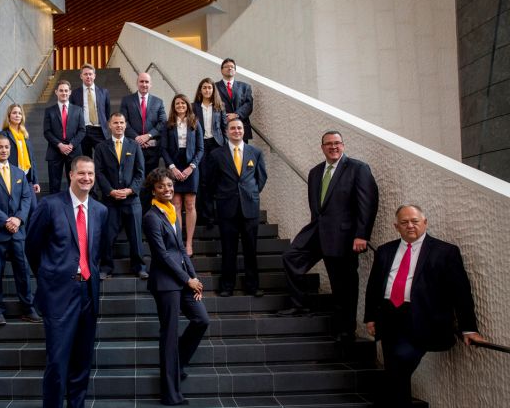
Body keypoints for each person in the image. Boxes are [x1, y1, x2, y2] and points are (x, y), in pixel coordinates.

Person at [364, 205, 485, 408]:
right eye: (404, 222)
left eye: (415, 221)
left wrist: (469, 328)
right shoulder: (385, 251)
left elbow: (461, 293)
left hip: (423, 320)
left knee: (399, 365)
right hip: (389, 317)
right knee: (395, 370)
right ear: (396, 226)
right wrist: (370, 316)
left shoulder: (445, 251)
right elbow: (374, 286)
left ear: (425, 223)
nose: (410, 225)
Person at [279, 131, 379, 343]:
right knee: (291, 256)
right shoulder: (316, 172)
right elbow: (317, 207)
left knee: (344, 285)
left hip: (344, 237)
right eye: (329, 144)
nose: (333, 147)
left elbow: (367, 204)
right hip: (318, 231)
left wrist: (362, 235)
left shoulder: (358, 168)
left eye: (337, 143)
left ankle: (346, 329)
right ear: (322, 147)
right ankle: (299, 305)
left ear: (343, 145)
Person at [26, 156, 107, 408]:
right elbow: (31, 247)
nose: (86, 178)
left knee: (82, 363)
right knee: (57, 362)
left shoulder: (100, 210)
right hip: (59, 295)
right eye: (81, 173)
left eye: (90, 174)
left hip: (87, 294)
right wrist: (50, 276)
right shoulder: (50, 206)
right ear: (70, 175)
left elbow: (97, 252)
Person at [143, 168, 209, 406]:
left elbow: (181, 249)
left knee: (201, 320)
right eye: (162, 187)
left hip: (182, 279)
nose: (168, 190)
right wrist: (186, 280)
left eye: (170, 186)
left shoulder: (172, 212)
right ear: (153, 190)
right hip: (165, 283)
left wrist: (194, 277)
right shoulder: (151, 217)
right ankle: (170, 394)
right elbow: (162, 255)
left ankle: (177, 364)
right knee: (169, 336)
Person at [0, 135, 41, 325]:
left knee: (23, 271)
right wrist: (5, 220)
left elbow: (26, 199)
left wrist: (18, 218)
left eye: (6, 147)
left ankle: (28, 308)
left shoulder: (19, 173)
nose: (4, 150)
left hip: (18, 233)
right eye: (0, 147)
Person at [208, 119, 267, 297]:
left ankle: (253, 286)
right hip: (227, 208)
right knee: (228, 249)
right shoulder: (216, 154)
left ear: (244, 130)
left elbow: (261, 178)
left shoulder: (255, 152)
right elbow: (210, 181)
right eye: (232, 128)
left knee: (250, 249)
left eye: (239, 128)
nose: (236, 131)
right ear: (226, 132)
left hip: (250, 207)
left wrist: (251, 193)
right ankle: (227, 286)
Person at [93, 113, 148, 280]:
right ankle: (106, 267)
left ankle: (139, 267)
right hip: (110, 201)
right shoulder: (101, 147)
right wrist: (110, 191)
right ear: (110, 125)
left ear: (125, 125)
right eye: (115, 123)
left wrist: (130, 190)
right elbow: (99, 173)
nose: (119, 125)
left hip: (132, 200)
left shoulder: (134, 145)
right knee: (107, 236)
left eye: (122, 122)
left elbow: (140, 173)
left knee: (136, 236)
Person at [161, 94, 204, 256]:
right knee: (176, 204)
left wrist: (191, 167)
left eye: (183, 103)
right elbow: (163, 149)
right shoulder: (168, 125)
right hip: (174, 165)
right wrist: (172, 167)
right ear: (174, 106)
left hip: (191, 166)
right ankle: (178, 241)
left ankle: (189, 243)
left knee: (190, 204)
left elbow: (200, 149)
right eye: (177, 103)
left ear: (187, 105)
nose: (180, 105)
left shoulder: (195, 123)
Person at [120, 72, 167, 212]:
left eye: (147, 82)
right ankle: (134, 209)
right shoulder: (127, 100)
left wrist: (148, 136)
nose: (144, 84)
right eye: (142, 81)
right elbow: (124, 122)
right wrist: (137, 138)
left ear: (150, 84)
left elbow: (162, 122)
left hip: (151, 149)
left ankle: (148, 210)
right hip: (132, 149)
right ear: (137, 83)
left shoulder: (158, 102)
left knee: (151, 180)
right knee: (134, 179)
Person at [192, 77, 227, 227]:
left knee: (218, 180)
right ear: (200, 90)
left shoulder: (220, 106)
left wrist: (226, 146)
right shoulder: (194, 107)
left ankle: (218, 215)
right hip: (201, 146)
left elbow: (224, 127)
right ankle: (206, 216)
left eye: (209, 88)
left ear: (213, 90)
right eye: (204, 87)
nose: (207, 90)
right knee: (204, 181)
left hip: (217, 145)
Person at [43, 80, 86, 194]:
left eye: (66, 90)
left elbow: (82, 130)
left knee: (75, 184)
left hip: (74, 152)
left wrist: (71, 145)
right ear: (56, 92)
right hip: (55, 151)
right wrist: (60, 145)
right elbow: (47, 132)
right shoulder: (49, 111)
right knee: (54, 185)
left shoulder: (78, 110)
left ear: (70, 92)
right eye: (61, 90)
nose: (64, 93)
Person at [0, 104, 41, 200]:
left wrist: (35, 181)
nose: (17, 115)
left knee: (33, 207)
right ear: (9, 116)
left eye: (20, 113)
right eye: (14, 113)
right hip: (12, 178)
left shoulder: (24, 136)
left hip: (27, 178)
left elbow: (32, 159)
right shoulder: (3, 135)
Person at [70, 63, 111, 157]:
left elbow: (107, 111)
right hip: (83, 131)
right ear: (81, 76)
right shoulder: (74, 93)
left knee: (103, 158)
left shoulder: (104, 92)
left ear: (94, 76)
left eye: (90, 74)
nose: (88, 76)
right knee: (85, 159)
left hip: (99, 131)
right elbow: (72, 114)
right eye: (85, 74)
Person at [216, 58, 253, 142]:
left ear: (235, 71)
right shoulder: (214, 87)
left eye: (232, 67)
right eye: (226, 67)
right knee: (225, 154)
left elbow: (249, 105)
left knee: (242, 154)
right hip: (222, 128)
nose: (229, 68)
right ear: (221, 70)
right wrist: (224, 117)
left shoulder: (245, 87)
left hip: (241, 128)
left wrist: (236, 115)